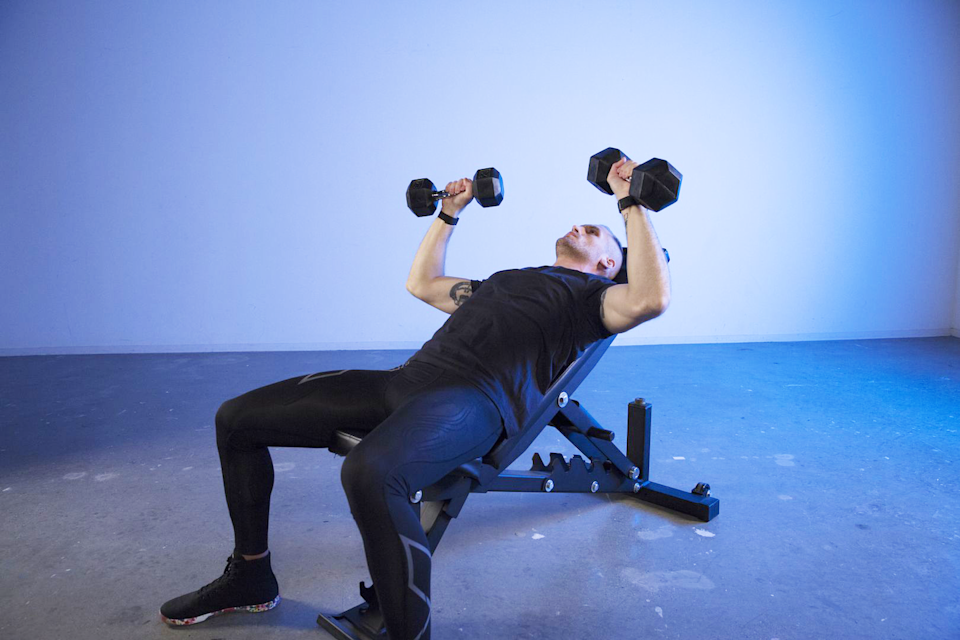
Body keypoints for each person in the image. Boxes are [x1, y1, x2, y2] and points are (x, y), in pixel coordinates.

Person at [159, 157, 671, 639]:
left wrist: (630, 205)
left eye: (595, 230)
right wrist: (449, 214)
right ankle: (250, 577)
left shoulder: (592, 303)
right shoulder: (507, 281)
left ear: (609, 261)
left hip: (471, 402)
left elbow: (651, 298)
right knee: (236, 419)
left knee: (370, 471)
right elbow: (421, 283)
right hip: (403, 383)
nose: (580, 225)